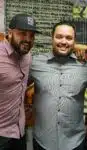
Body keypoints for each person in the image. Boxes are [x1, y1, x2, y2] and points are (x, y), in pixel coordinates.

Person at [30, 21, 87, 150]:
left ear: (75, 41)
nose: (63, 42)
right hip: (42, 141)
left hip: (75, 143)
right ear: (51, 38)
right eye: (59, 37)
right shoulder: (34, 63)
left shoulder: (86, 65)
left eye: (69, 38)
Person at [0, 13, 40, 150]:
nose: (28, 39)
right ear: (10, 33)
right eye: (22, 33)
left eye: (31, 35)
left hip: (19, 131)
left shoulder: (27, 56)